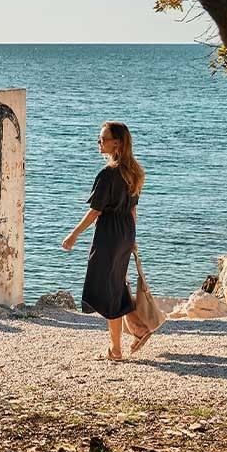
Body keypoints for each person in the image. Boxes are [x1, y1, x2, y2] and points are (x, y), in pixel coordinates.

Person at [62, 121, 146, 361]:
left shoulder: (108, 174)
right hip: (126, 232)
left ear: (117, 143)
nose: (99, 143)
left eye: (103, 139)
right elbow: (133, 210)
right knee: (115, 284)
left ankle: (126, 340)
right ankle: (123, 342)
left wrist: (74, 234)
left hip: (109, 233)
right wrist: (132, 238)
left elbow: (95, 211)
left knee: (103, 286)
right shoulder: (134, 171)